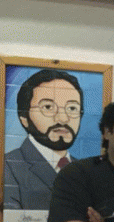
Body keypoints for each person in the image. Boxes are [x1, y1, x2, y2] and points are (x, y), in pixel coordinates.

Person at [4, 69, 83, 210]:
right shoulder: (7, 166)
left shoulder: (85, 170)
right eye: (48, 107)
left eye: (72, 108)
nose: (63, 118)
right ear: (24, 118)